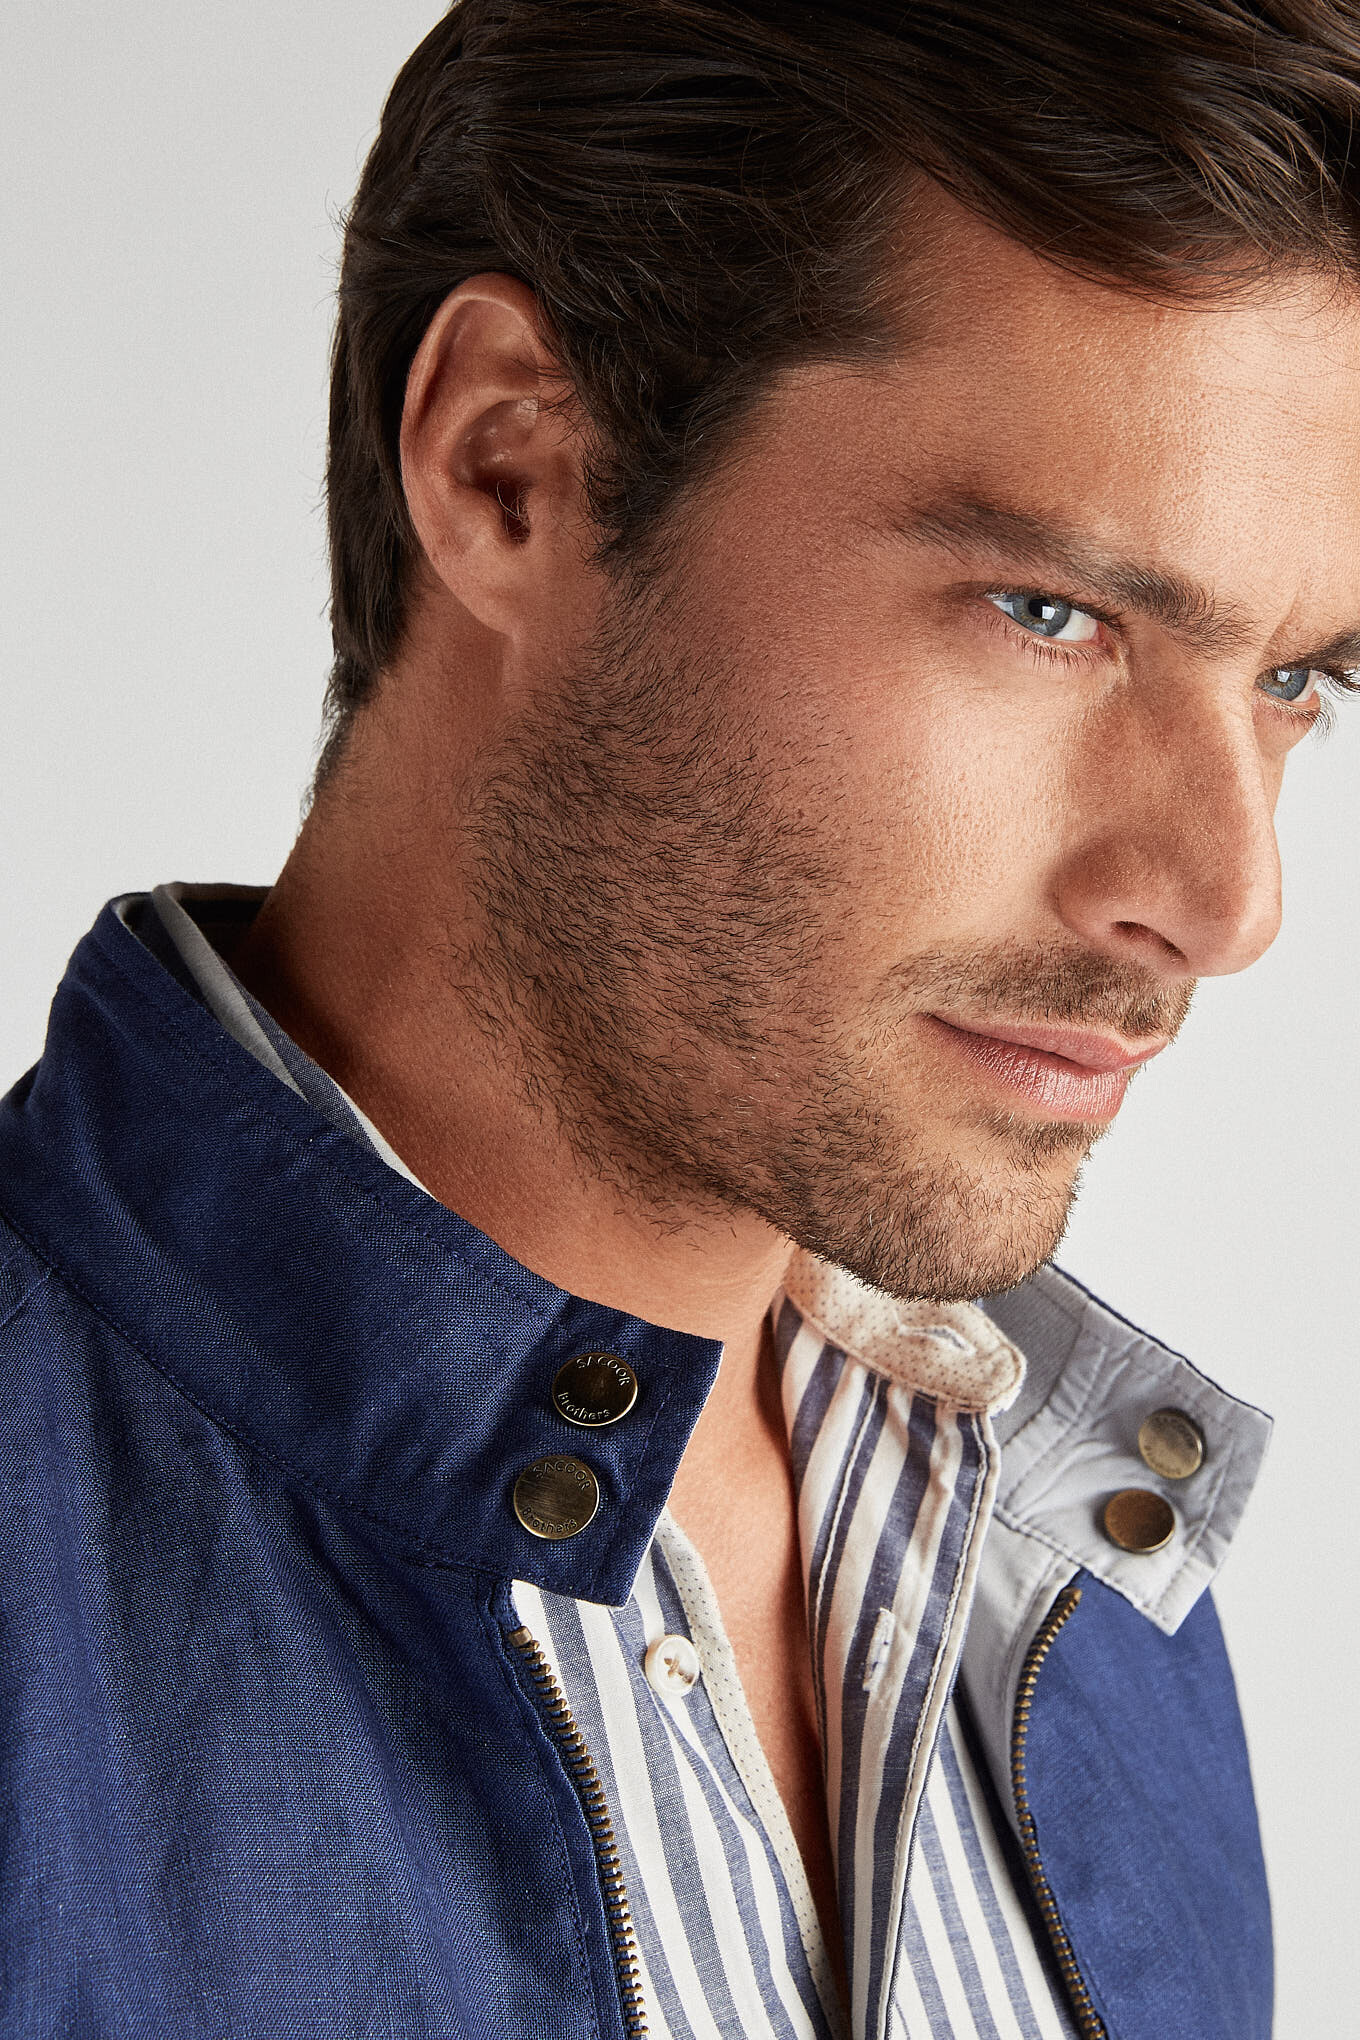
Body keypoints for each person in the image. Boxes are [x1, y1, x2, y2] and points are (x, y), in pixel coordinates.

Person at [4, 1, 1358, 2033]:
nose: (1225, 901)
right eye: (1050, 613)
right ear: (509, 468)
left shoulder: (1078, 1568)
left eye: (1296, 681)